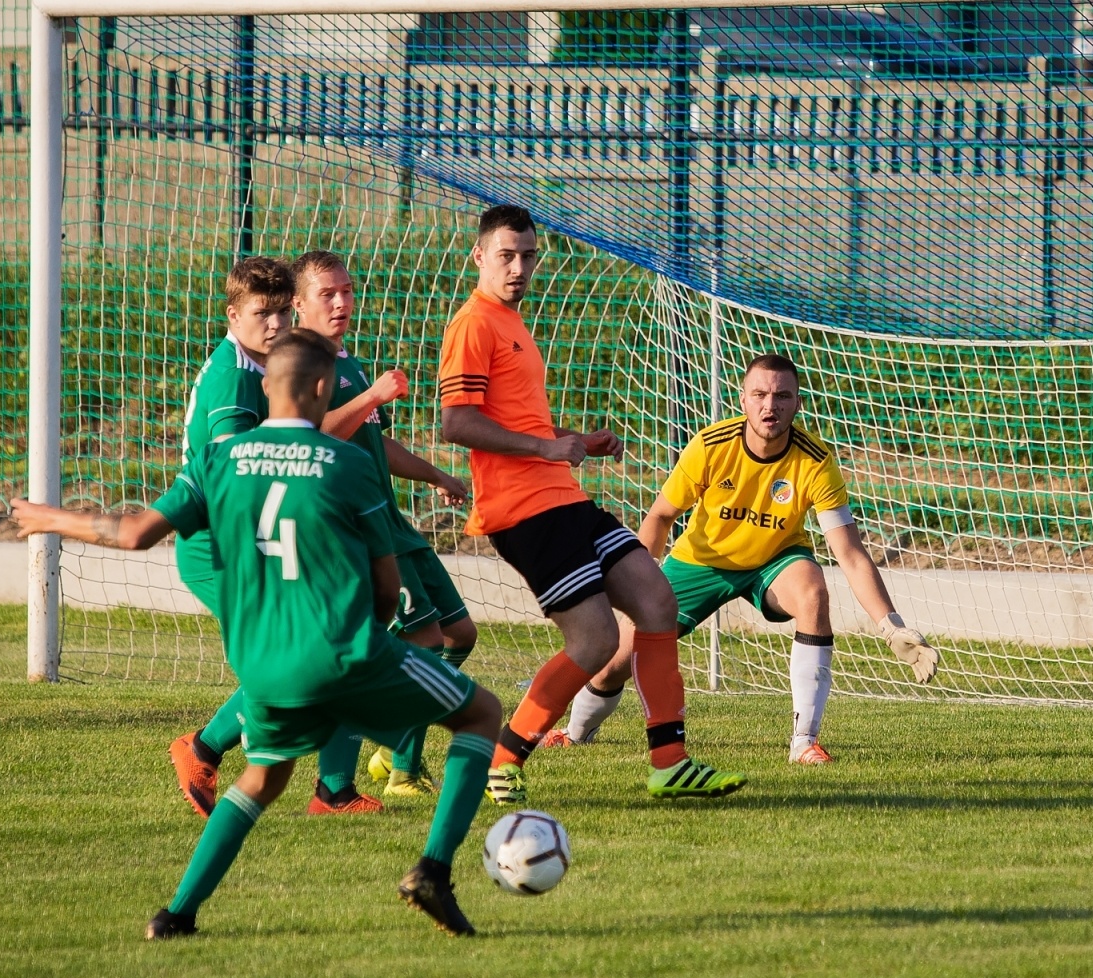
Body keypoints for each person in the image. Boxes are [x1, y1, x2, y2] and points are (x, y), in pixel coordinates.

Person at [13, 330, 503, 938]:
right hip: (345, 652)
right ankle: (432, 871)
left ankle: (175, 915)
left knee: (264, 777)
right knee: (482, 714)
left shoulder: (217, 461)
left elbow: (135, 534)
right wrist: (373, 644)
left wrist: (47, 518)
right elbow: (385, 586)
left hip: (263, 668)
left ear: (267, 385)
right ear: (323, 387)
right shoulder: (349, 464)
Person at [438, 204, 746, 804]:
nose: (519, 267)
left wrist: (574, 441)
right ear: (478, 256)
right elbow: (457, 422)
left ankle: (670, 763)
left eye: (528, 256)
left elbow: (517, 422)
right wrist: (547, 447)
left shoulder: (510, 321)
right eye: (506, 255)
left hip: (563, 498)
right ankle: (502, 758)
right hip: (525, 512)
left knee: (657, 601)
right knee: (595, 643)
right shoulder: (473, 324)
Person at [549, 354, 940, 762]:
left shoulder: (816, 461)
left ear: (798, 403)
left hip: (775, 561)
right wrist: (639, 587)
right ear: (743, 400)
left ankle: (804, 742)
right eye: (760, 394)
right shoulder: (711, 445)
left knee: (813, 593)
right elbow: (661, 516)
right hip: (700, 561)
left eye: (782, 396)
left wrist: (890, 626)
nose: (770, 405)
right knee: (615, 660)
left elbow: (850, 553)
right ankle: (576, 733)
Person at [167, 256, 409, 817]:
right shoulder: (233, 378)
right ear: (233, 316)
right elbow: (239, 469)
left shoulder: (264, 365)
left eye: (281, 312)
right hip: (222, 549)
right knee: (308, 654)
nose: (276, 324)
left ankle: (329, 788)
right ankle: (211, 751)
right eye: (262, 313)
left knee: (331, 643)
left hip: (256, 538)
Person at [291, 249, 479, 799]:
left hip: (389, 518)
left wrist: (434, 474)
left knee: (459, 634)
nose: (341, 302)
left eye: (347, 291)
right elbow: (307, 435)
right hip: (354, 526)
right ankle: (402, 770)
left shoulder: (347, 361)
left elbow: (375, 440)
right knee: (422, 638)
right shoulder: (298, 363)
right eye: (327, 294)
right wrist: (373, 394)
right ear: (299, 303)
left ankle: (392, 735)